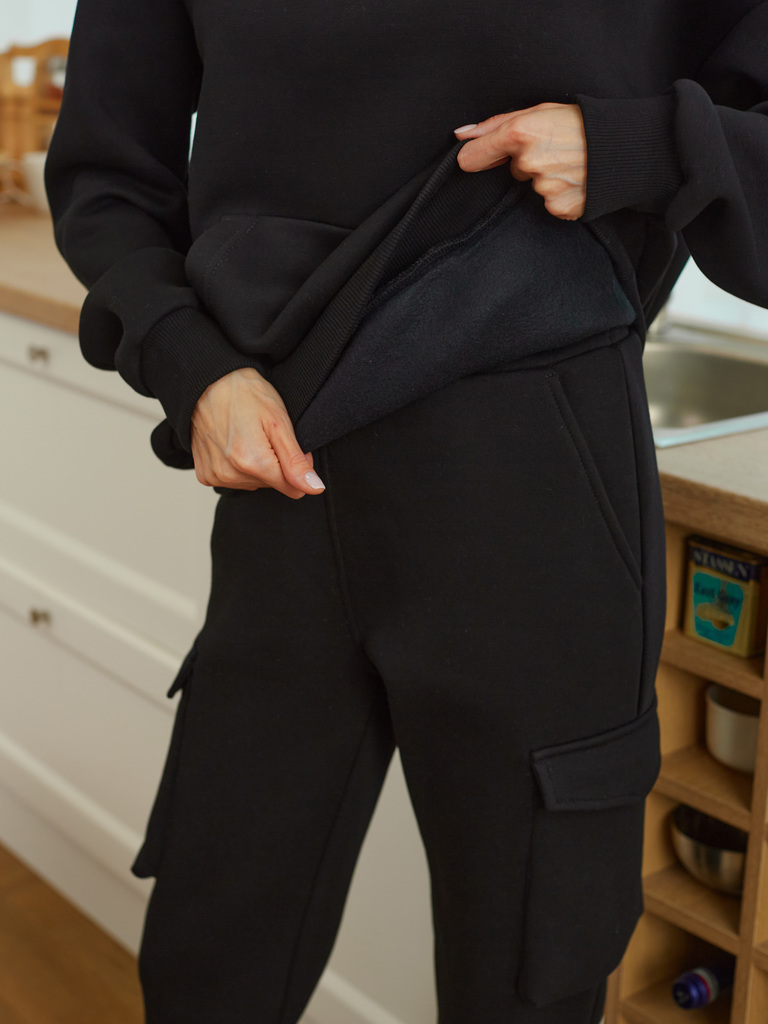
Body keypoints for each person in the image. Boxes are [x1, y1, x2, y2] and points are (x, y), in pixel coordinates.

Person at [44, 1, 768, 1021]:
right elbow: (107, 175)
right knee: (208, 959)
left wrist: (637, 145)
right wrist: (189, 362)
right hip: (281, 470)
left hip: (540, 490)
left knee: (527, 980)